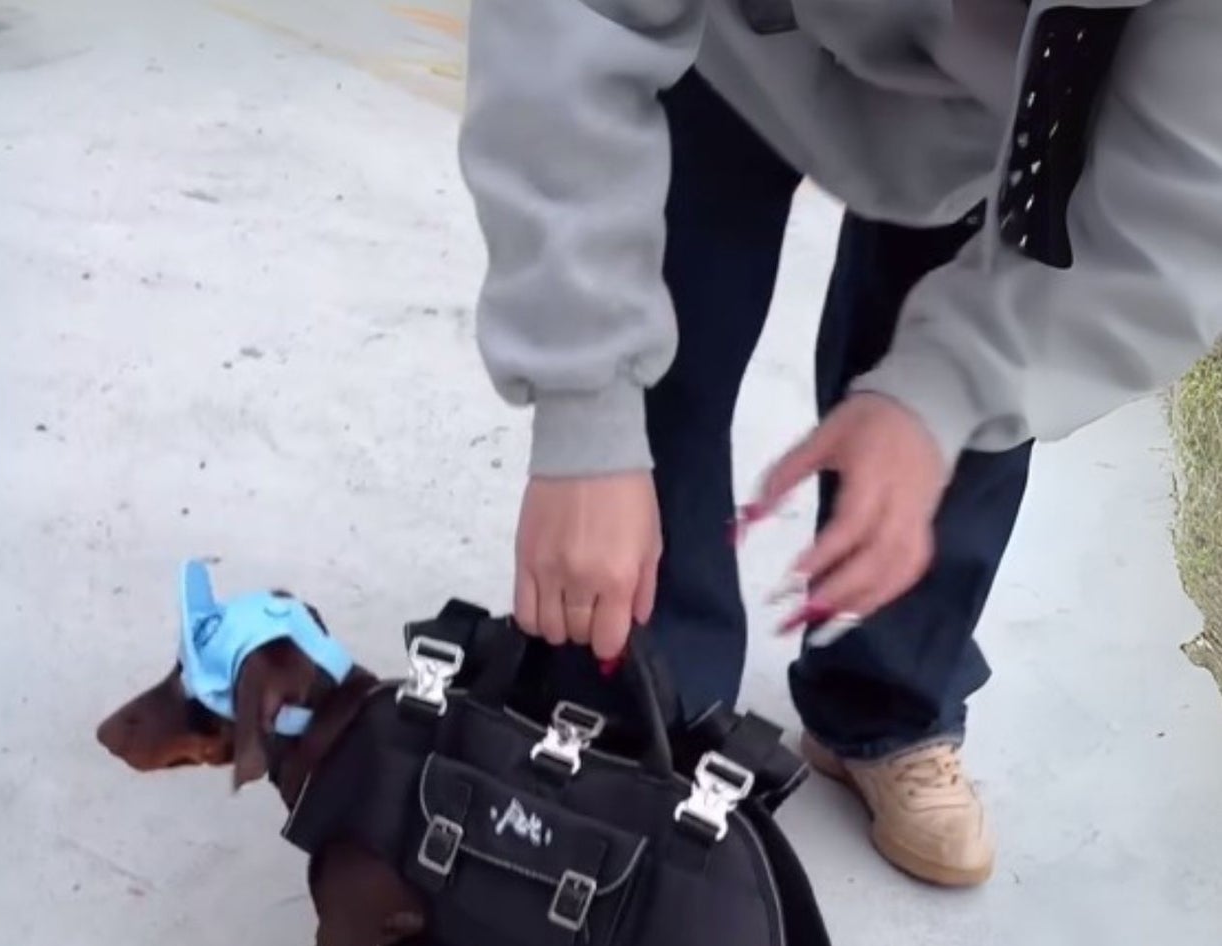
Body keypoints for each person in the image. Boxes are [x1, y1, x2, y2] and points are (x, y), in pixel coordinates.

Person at [456, 0, 1222, 887]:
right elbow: (572, 19)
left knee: (959, 433)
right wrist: (585, 410)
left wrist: (945, 393)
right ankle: (650, 711)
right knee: (668, 353)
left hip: (1018, 110)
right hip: (734, 44)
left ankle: (887, 698)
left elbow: (1178, 212)